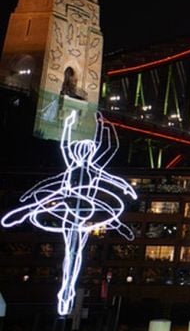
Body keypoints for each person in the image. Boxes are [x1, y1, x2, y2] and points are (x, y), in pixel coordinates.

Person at [1, 111, 136, 316]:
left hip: (78, 214)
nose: (83, 152)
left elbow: (108, 151)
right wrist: (94, 123)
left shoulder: (90, 170)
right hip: (77, 213)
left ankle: (67, 292)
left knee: (74, 252)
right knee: (73, 252)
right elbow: (54, 180)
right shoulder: (84, 170)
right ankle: (66, 293)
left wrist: (95, 124)